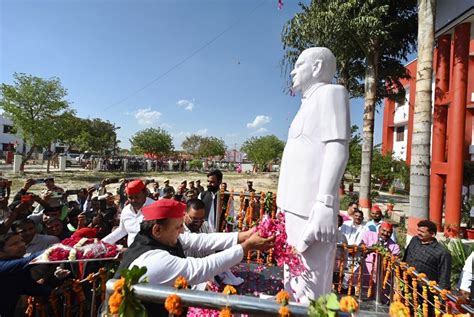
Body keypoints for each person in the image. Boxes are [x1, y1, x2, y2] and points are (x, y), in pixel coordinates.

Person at [277, 47, 350, 302]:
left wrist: (325, 202)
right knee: (292, 269)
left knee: (311, 278)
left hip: (311, 206)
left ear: (317, 67)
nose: (293, 71)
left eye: (298, 65)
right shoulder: (306, 104)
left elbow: (337, 148)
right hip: (293, 205)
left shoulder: (330, 93)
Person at [115, 199, 274, 315]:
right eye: (178, 227)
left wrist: (244, 235)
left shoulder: (160, 237)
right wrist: (246, 247)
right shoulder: (154, 259)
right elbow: (201, 268)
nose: (182, 231)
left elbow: (202, 240)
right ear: (157, 230)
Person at [0, 232, 69, 317]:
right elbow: (31, 259)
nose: (22, 244)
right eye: (14, 244)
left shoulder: (20, 266)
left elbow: (30, 287)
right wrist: (57, 249)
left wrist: (55, 289)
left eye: (21, 241)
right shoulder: (4, 266)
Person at [102, 180, 154, 247]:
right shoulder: (126, 210)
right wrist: (102, 243)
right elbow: (122, 230)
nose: (134, 200)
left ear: (145, 194)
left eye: (137, 197)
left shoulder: (156, 207)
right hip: (132, 253)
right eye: (130, 197)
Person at [403, 220, 452, 289]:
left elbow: (444, 279)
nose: (418, 233)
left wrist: (441, 296)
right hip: (406, 283)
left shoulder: (442, 253)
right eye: (418, 230)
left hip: (425, 292)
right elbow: (405, 258)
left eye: (422, 232)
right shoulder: (414, 240)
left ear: (432, 234)